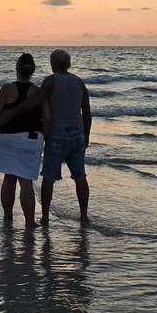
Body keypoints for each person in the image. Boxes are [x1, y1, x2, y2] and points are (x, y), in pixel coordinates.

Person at [38, 49, 92, 225]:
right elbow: (87, 112)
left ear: (52, 64)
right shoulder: (79, 82)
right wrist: (87, 135)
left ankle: (45, 217)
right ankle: (83, 215)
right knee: (80, 176)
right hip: (77, 134)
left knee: (48, 177)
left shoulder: (50, 81)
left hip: (56, 135)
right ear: (68, 64)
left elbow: (38, 102)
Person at [0, 52, 44, 227]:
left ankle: (8, 217)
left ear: (17, 68)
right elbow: (47, 118)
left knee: (9, 178)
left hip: (6, 138)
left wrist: (0, 129)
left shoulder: (7, 88)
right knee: (26, 180)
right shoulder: (38, 91)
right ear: (33, 70)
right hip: (29, 139)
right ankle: (29, 222)